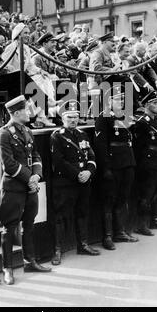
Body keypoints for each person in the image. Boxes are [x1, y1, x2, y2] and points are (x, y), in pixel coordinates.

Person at [0, 96, 52, 286]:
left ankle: (30, 261)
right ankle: (7, 269)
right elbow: (9, 164)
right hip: (13, 188)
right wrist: (30, 179)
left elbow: (35, 154)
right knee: (9, 229)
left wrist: (36, 175)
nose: (30, 112)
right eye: (27, 110)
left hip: (29, 187)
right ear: (17, 112)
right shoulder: (3, 134)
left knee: (29, 224)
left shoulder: (27, 131)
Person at [50, 100, 100, 266]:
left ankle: (83, 245)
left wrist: (88, 172)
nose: (73, 120)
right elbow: (58, 162)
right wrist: (78, 174)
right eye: (69, 117)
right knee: (61, 217)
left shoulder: (82, 135)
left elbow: (91, 156)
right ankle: (57, 250)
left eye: (76, 117)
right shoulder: (57, 136)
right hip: (65, 183)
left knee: (82, 213)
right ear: (62, 118)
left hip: (84, 181)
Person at [94, 86, 138, 251]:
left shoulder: (124, 117)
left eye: (122, 99)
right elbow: (100, 145)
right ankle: (108, 236)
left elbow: (131, 138)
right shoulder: (103, 117)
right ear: (109, 101)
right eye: (117, 99)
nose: (120, 101)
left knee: (122, 197)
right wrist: (106, 168)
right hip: (113, 164)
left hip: (127, 162)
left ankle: (120, 231)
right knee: (109, 200)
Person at [133, 92, 157, 236]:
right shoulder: (142, 122)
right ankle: (142, 225)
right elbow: (138, 146)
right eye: (155, 103)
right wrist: (143, 164)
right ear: (147, 105)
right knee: (146, 193)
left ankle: (155, 219)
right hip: (148, 162)